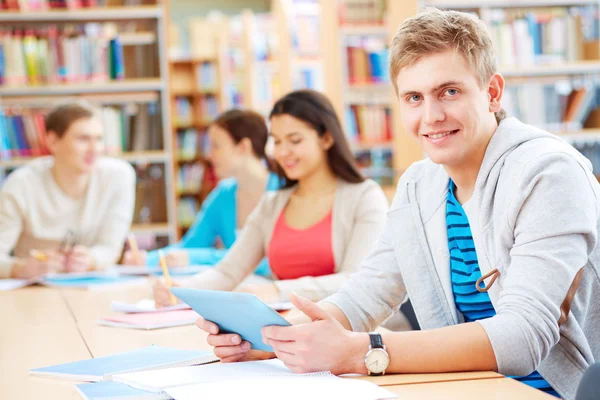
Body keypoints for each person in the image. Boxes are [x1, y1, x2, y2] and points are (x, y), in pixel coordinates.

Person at [198, 9, 600, 400]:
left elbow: (521, 338)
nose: (432, 115)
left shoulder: (549, 174)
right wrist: (268, 340)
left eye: (450, 91)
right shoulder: (419, 185)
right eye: (413, 97)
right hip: (461, 389)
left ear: (492, 92)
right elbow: (364, 297)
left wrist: (362, 351)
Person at [153, 89, 389, 306]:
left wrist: (276, 291)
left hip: (343, 331)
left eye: (294, 140)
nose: (283, 152)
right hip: (283, 328)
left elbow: (355, 280)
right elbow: (227, 272)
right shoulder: (273, 203)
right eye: (276, 141)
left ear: (326, 138)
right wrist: (183, 290)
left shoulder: (365, 197)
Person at [122, 109, 279, 277]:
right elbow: (191, 246)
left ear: (243, 147)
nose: (209, 155)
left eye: (216, 146)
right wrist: (148, 259)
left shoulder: (283, 191)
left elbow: (272, 260)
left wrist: (195, 258)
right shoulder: (224, 194)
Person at [0, 102, 136, 279]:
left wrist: (92, 259)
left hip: (91, 286)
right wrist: (18, 268)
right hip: (34, 288)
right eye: (83, 139)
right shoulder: (21, 184)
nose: (95, 149)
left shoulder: (119, 176)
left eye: (99, 139)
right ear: (53, 141)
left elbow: (111, 247)